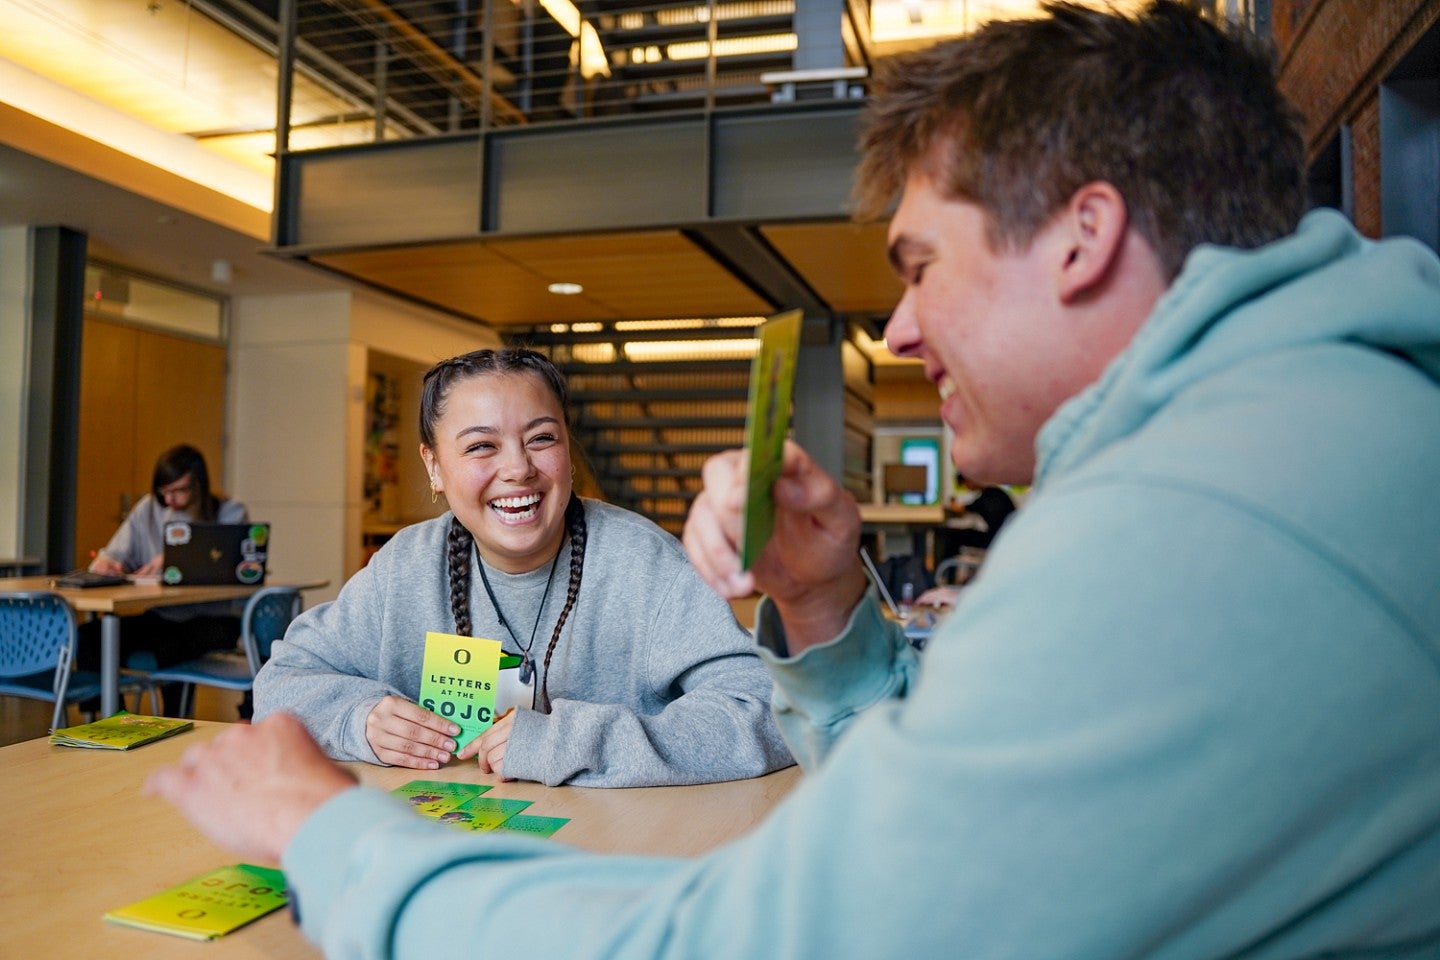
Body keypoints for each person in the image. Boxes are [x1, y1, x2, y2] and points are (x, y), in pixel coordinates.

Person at [146, 3, 1440, 955]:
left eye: (922, 265)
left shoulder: (1204, 522)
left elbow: (768, 942)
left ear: (1085, 236)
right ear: (435, 473)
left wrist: (337, 839)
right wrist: (826, 617)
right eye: (477, 448)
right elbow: (956, 822)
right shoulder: (1292, 431)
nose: (906, 332)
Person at [251, 347, 792, 787]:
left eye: (541, 439)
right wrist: (360, 720)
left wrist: (573, 743)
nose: (517, 469)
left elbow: (764, 711)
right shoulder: (405, 567)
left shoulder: (644, 563)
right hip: (452, 853)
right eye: (481, 446)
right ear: (434, 466)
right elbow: (281, 682)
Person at [80, 444, 248, 714]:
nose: (170, 499)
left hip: (214, 618)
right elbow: (110, 554)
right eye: (164, 491)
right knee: (89, 636)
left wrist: (174, 557)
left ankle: (174, 718)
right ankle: (110, 719)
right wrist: (107, 563)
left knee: (167, 647)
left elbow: (233, 566)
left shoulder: (229, 511)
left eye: (180, 490)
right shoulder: (148, 509)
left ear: (198, 485)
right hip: (164, 615)